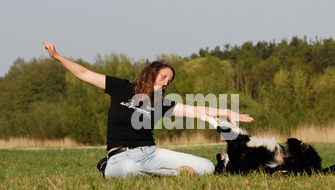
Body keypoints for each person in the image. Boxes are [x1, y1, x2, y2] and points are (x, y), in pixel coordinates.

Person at [42, 41, 254, 178]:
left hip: (151, 154)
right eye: (163, 76)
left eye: (168, 81)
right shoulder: (121, 88)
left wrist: (226, 112)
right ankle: (110, 167)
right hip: (121, 157)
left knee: (207, 167)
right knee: (130, 171)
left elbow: (196, 111)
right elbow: (85, 73)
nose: (165, 83)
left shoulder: (160, 103)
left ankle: (168, 174)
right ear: (151, 73)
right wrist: (58, 56)